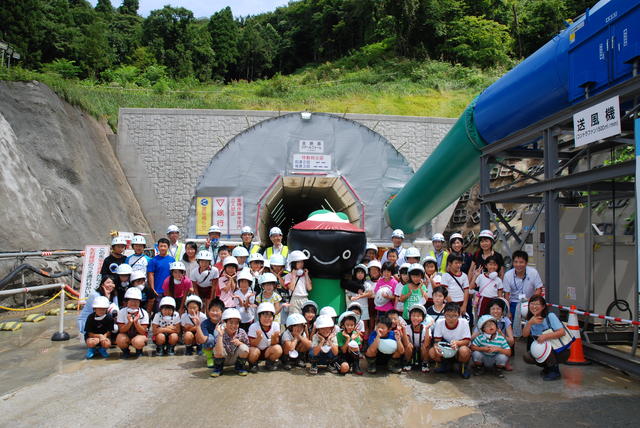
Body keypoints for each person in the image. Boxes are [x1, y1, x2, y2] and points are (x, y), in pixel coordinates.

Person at [522, 295, 570, 381]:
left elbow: (562, 332)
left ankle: (554, 370)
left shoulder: (550, 316)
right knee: (527, 356)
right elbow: (525, 335)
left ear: (543, 306)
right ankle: (547, 367)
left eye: (537, 304)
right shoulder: (530, 318)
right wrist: (529, 323)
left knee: (547, 346)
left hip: (560, 350)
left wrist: (545, 336)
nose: (534, 306)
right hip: (544, 348)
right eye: (532, 304)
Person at [429, 302, 472, 379]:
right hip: (445, 347)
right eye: (448, 315)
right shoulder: (439, 322)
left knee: (464, 351)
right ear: (444, 314)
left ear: (459, 315)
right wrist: (436, 347)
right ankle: (445, 364)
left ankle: (463, 367)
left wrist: (457, 343)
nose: (450, 318)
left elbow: (467, 341)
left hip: (459, 347)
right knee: (432, 352)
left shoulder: (464, 322)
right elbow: (436, 341)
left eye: (454, 316)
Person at [503, 250, 543, 320]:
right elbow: (506, 294)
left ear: (526, 263)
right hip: (514, 302)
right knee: (514, 325)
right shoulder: (508, 275)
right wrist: (508, 311)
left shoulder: (533, 272)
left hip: (530, 301)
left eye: (521, 262)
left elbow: (539, 289)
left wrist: (531, 301)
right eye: (516, 262)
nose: (518, 265)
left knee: (532, 324)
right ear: (513, 262)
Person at [210, 308, 250, 377]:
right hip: (223, 358)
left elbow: (248, 347)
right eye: (231, 322)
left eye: (236, 323)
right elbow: (218, 352)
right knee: (216, 349)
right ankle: (218, 368)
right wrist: (220, 335)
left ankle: (239, 367)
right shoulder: (220, 331)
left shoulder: (241, 332)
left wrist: (240, 343)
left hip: (235, 358)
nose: (234, 325)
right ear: (224, 323)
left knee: (244, 348)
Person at [115, 287, 150, 358]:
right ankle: (126, 351)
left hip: (139, 335)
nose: (134, 303)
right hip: (126, 335)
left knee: (138, 342)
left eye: (136, 301)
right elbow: (121, 330)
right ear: (127, 301)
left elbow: (143, 332)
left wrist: (136, 322)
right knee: (120, 339)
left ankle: (139, 350)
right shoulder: (122, 312)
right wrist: (129, 323)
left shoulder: (144, 313)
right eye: (131, 301)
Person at [248, 302, 282, 372]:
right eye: (265, 316)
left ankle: (270, 362)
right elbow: (252, 344)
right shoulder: (254, 326)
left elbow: (275, 343)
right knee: (253, 352)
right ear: (259, 316)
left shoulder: (275, 325)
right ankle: (253, 364)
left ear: (273, 317)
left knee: (278, 349)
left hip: (268, 351)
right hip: (257, 350)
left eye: (270, 316)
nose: (267, 319)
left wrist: (274, 337)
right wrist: (258, 338)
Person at [194, 298, 225, 368]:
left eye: (217, 311)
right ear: (208, 311)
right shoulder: (205, 324)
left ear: (222, 312)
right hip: (210, 344)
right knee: (210, 338)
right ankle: (209, 357)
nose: (214, 313)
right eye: (212, 310)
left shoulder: (225, 322)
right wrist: (197, 326)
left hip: (221, 344)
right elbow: (203, 340)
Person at [147, 238, 175, 312]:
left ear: (168, 247)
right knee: (158, 311)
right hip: (158, 290)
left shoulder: (172, 260)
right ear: (158, 247)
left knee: (169, 310)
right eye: (161, 246)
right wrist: (153, 289)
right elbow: (150, 274)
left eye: (164, 246)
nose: (162, 248)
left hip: (169, 290)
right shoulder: (153, 260)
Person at [344, 264, 373, 337]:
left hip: (364, 307)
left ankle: (364, 342)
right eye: (358, 272)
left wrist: (359, 296)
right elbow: (348, 294)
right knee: (352, 325)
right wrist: (351, 298)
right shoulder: (350, 283)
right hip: (352, 307)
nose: (360, 274)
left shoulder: (366, 284)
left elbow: (370, 293)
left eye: (362, 273)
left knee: (364, 325)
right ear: (355, 273)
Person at [402, 304, 431, 372]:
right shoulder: (407, 328)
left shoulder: (426, 328)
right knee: (408, 346)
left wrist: (427, 330)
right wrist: (403, 329)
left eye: (418, 316)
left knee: (425, 347)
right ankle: (408, 362)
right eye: (413, 316)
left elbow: (426, 344)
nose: (415, 318)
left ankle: (425, 363)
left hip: (422, 349)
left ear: (423, 318)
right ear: (410, 317)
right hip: (411, 348)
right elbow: (406, 343)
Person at [440, 254, 470, 320]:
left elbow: (466, 291)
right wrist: (452, 305)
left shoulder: (464, 276)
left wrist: (464, 306)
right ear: (450, 263)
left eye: (460, 263)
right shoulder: (445, 276)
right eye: (456, 263)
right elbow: (445, 292)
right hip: (449, 304)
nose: (458, 265)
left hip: (461, 303)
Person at [284, 250, 312, 315]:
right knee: (295, 318)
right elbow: (291, 288)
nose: (301, 264)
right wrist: (293, 276)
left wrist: (306, 275)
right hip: (294, 299)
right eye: (299, 262)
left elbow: (309, 288)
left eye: (302, 262)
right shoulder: (288, 276)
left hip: (305, 299)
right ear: (293, 263)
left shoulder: (305, 275)